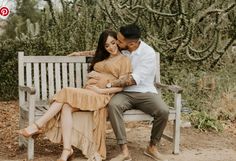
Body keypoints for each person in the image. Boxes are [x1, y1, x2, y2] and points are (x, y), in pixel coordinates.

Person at [18, 30, 132, 161]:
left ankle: (37, 126)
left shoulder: (124, 60)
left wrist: (100, 90)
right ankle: (67, 150)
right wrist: (78, 54)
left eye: (113, 43)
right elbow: (93, 52)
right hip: (88, 93)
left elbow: (121, 86)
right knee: (66, 106)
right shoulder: (103, 56)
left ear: (118, 41)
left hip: (101, 95)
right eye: (107, 45)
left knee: (66, 91)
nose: (111, 47)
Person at [106, 24, 169, 161]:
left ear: (132, 43)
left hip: (144, 92)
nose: (116, 42)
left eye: (120, 41)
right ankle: (124, 151)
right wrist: (79, 54)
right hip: (124, 93)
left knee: (163, 111)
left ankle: (152, 147)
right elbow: (102, 51)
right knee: (113, 106)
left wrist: (108, 84)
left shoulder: (148, 53)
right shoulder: (122, 48)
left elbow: (132, 80)